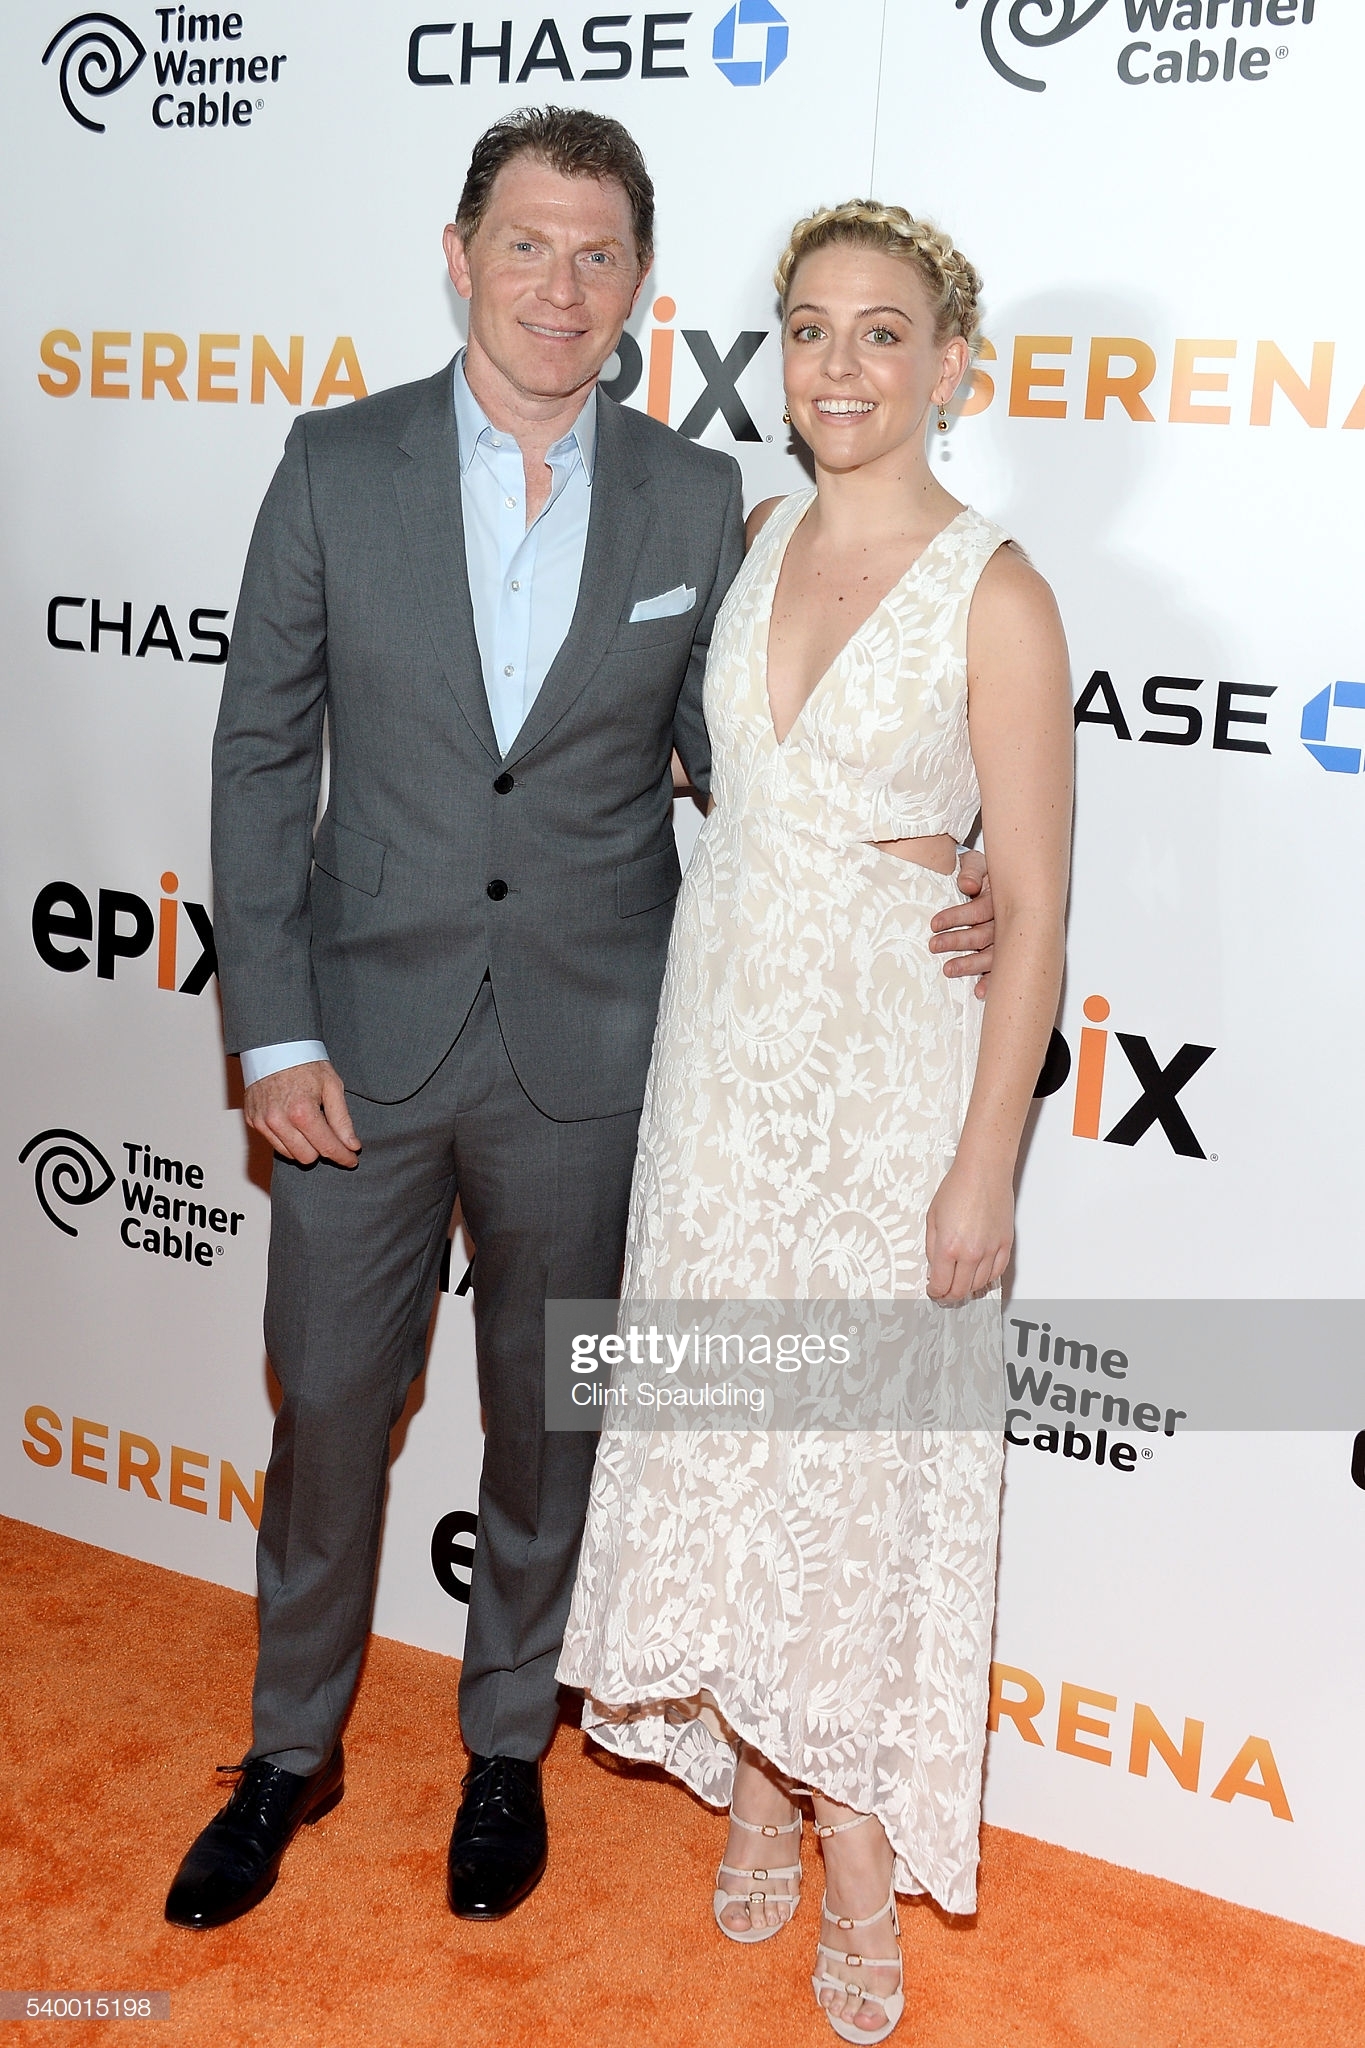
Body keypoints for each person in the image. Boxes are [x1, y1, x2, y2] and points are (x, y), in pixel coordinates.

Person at [164, 115, 997, 1935]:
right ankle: (286, 1753)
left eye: (598, 254)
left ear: (639, 288)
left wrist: (954, 861)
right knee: (328, 1408)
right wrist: (271, 1031)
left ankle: (503, 1748)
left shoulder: (697, 501)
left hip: (601, 1053)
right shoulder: (334, 463)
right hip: (358, 1049)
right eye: (527, 245)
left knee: (552, 1423)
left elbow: (753, 756)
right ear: (458, 254)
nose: (561, 286)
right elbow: (257, 755)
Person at [558, 201, 1071, 2043]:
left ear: (950, 365)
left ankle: (852, 1837)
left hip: (881, 1093)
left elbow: (1036, 912)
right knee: (728, 1427)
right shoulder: (749, 538)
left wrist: (983, 1165)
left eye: (881, 331)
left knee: (848, 1464)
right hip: (718, 1070)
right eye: (807, 329)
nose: (838, 365)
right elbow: (701, 778)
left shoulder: (998, 592)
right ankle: (758, 1778)